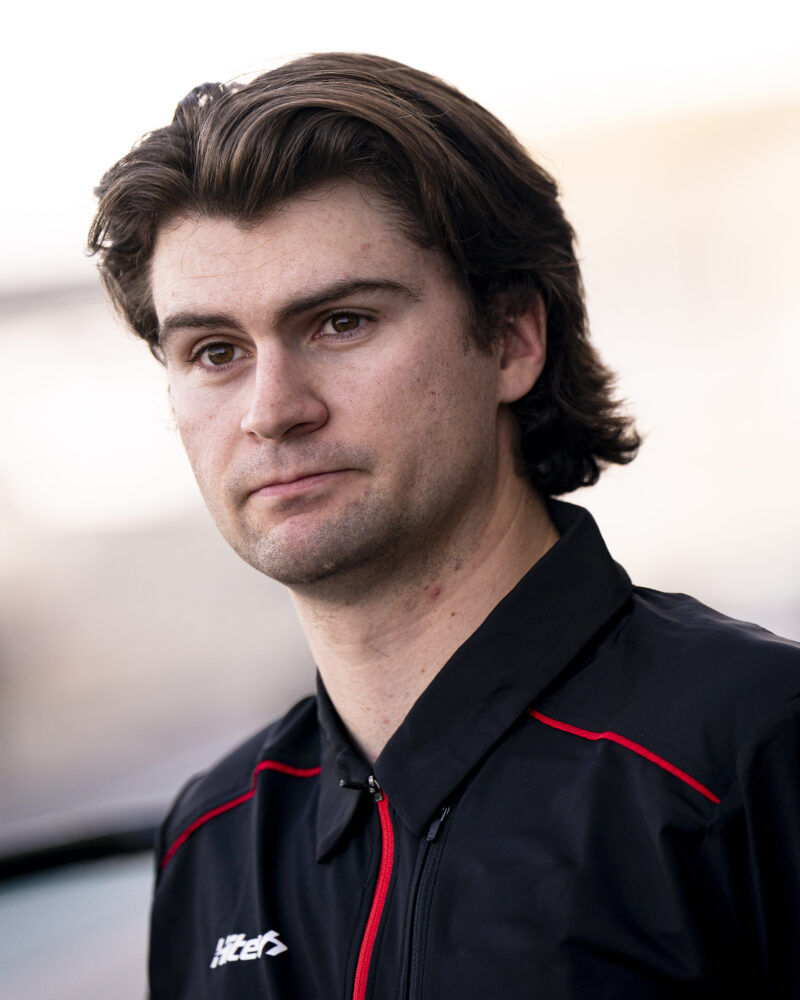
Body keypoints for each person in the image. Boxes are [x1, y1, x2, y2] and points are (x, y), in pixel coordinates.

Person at [89, 53, 800, 999]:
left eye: (341, 323)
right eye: (215, 351)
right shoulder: (211, 839)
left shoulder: (758, 747)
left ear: (512, 339)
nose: (272, 410)